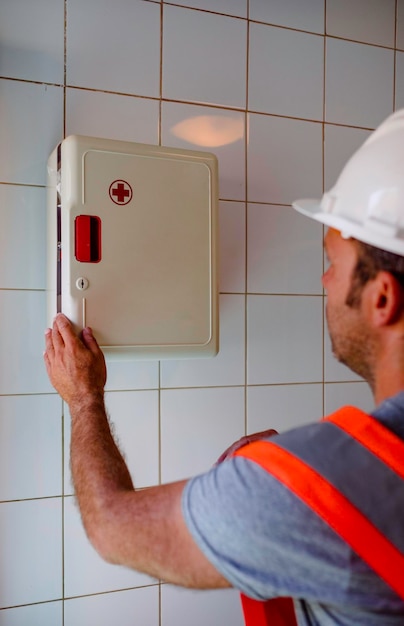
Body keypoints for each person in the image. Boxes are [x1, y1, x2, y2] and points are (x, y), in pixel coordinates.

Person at [44, 109, 404, 626]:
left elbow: (111, 526)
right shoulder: (299, 484)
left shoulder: (315, 487)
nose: (324, 283)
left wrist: (84, 398)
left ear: (382, 297)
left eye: (332, 263)